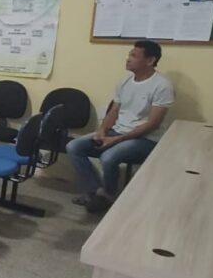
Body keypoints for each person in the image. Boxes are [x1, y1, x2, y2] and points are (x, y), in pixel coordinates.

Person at [67, 40, 175, 213]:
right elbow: (114, 111)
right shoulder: (125, 81)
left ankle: (109, 196)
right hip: (117, 132)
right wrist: (102, 131)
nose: (128, 59)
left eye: (134, 55)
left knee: (108, 157)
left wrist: (116, 139)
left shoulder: (162, 85)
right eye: (129, 54)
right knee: (74, 146)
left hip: (145, 139)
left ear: (150, 60)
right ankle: (97, 193)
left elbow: (153, 124)